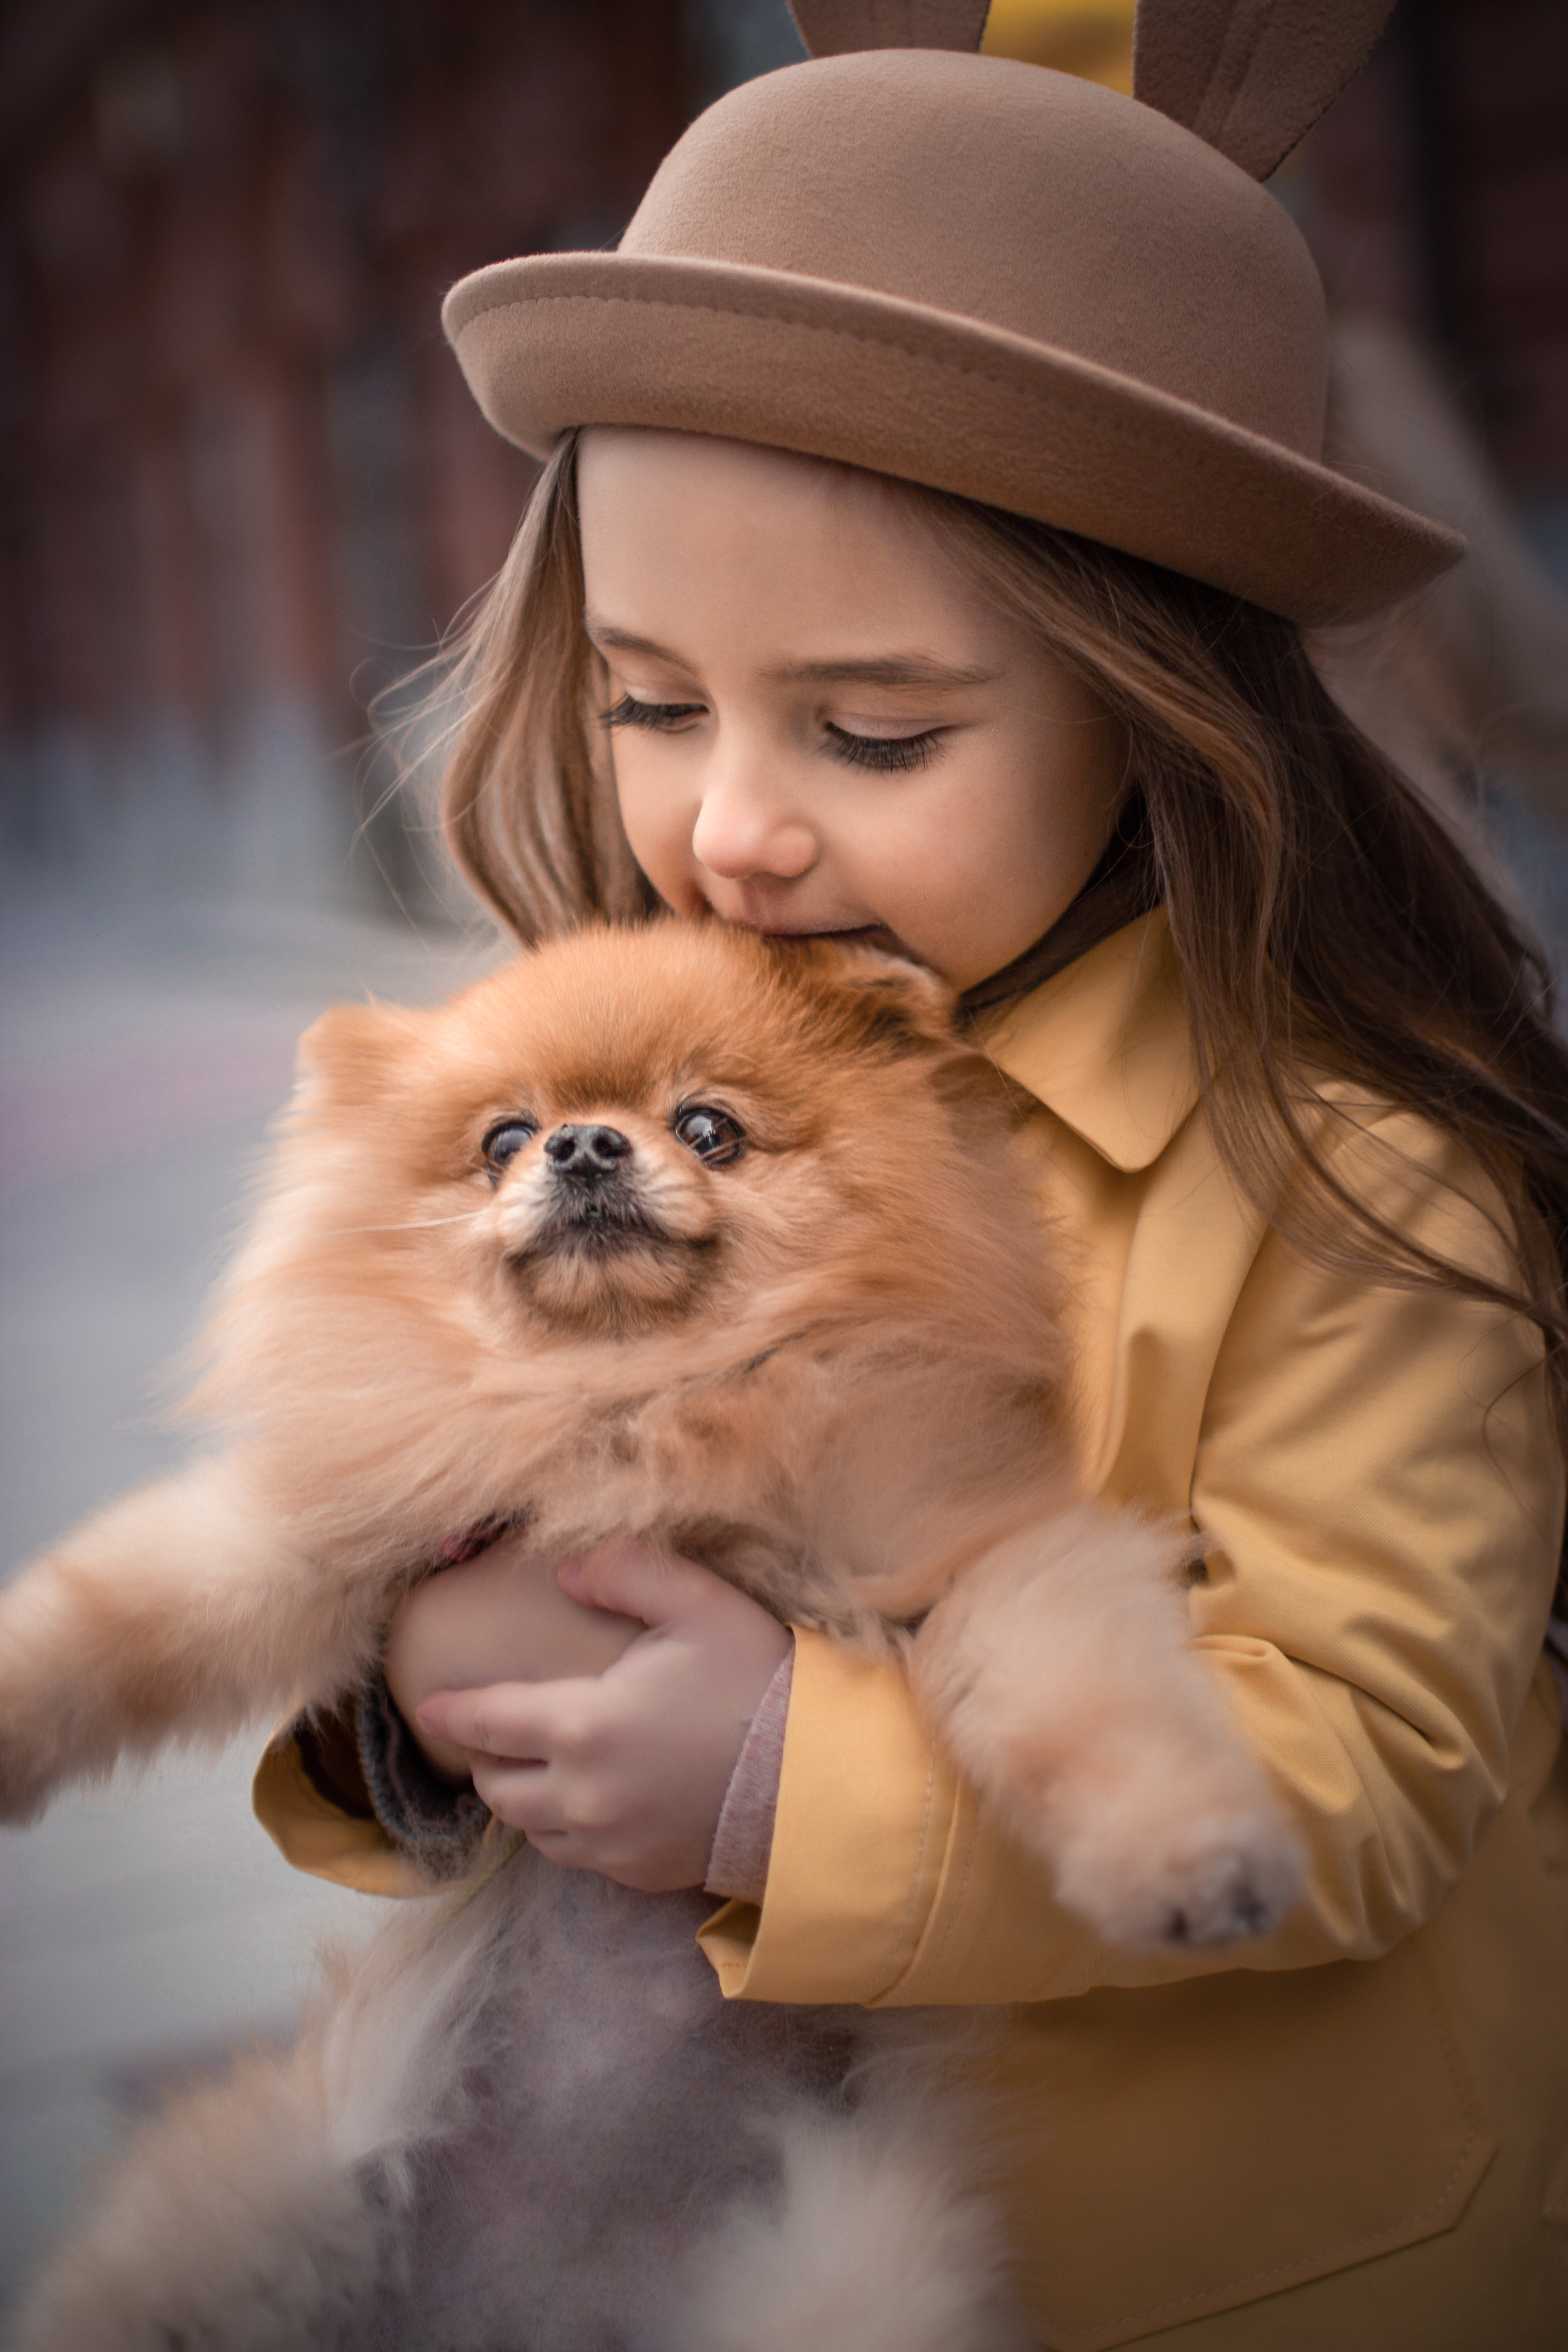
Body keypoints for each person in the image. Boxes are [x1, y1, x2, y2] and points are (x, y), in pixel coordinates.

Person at [253, 5, 1568, 2344]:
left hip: (1229, 2262)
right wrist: (422, 1711)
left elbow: (1366, 1773)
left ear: (1166, 711)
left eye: (873, 730)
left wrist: (776, 1785)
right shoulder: (631, 1067)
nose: (733, 825)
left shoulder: (1351, 1189)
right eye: (654, 700)